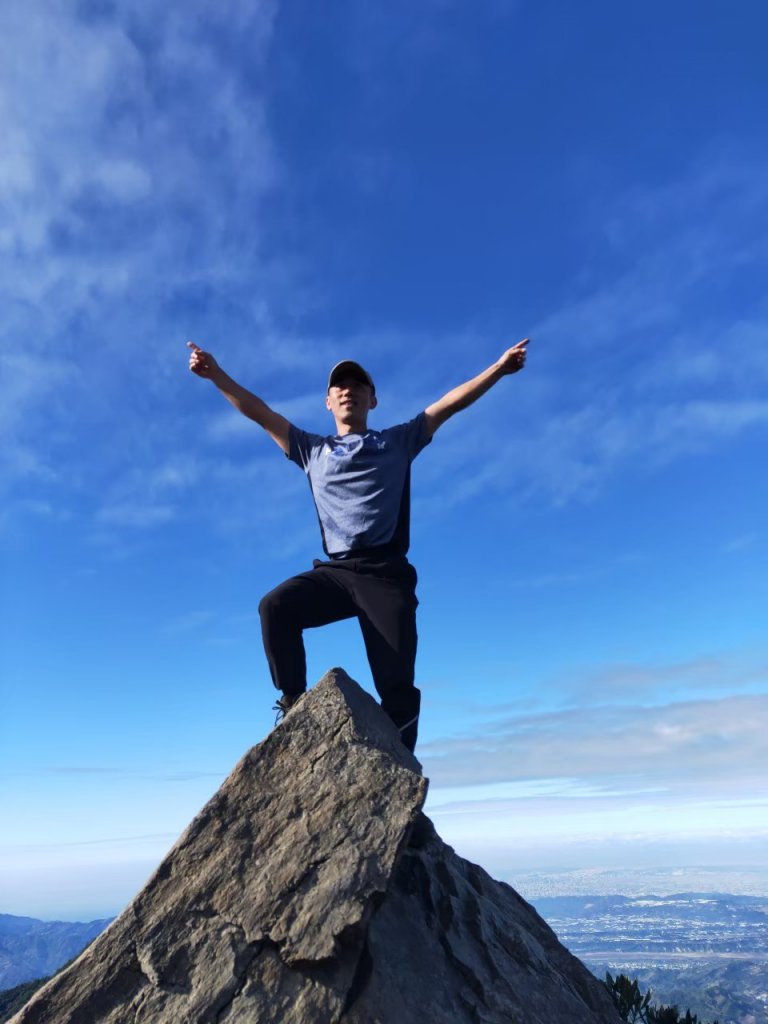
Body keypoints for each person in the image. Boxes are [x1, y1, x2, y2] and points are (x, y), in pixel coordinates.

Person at [187, 338, 529, 752]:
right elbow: (260, 413)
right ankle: (294, 704)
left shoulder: (399, 442)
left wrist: (498, 368)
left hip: (387, 575)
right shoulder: (312, 450)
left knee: (397, 685)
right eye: (339, 387)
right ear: (328, 402)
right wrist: (215, 375)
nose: (348, 390)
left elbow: (449, 404)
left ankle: (400, 768)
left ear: (373, 399)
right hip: (336, 573)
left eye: (358, 385)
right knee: (274, 607)